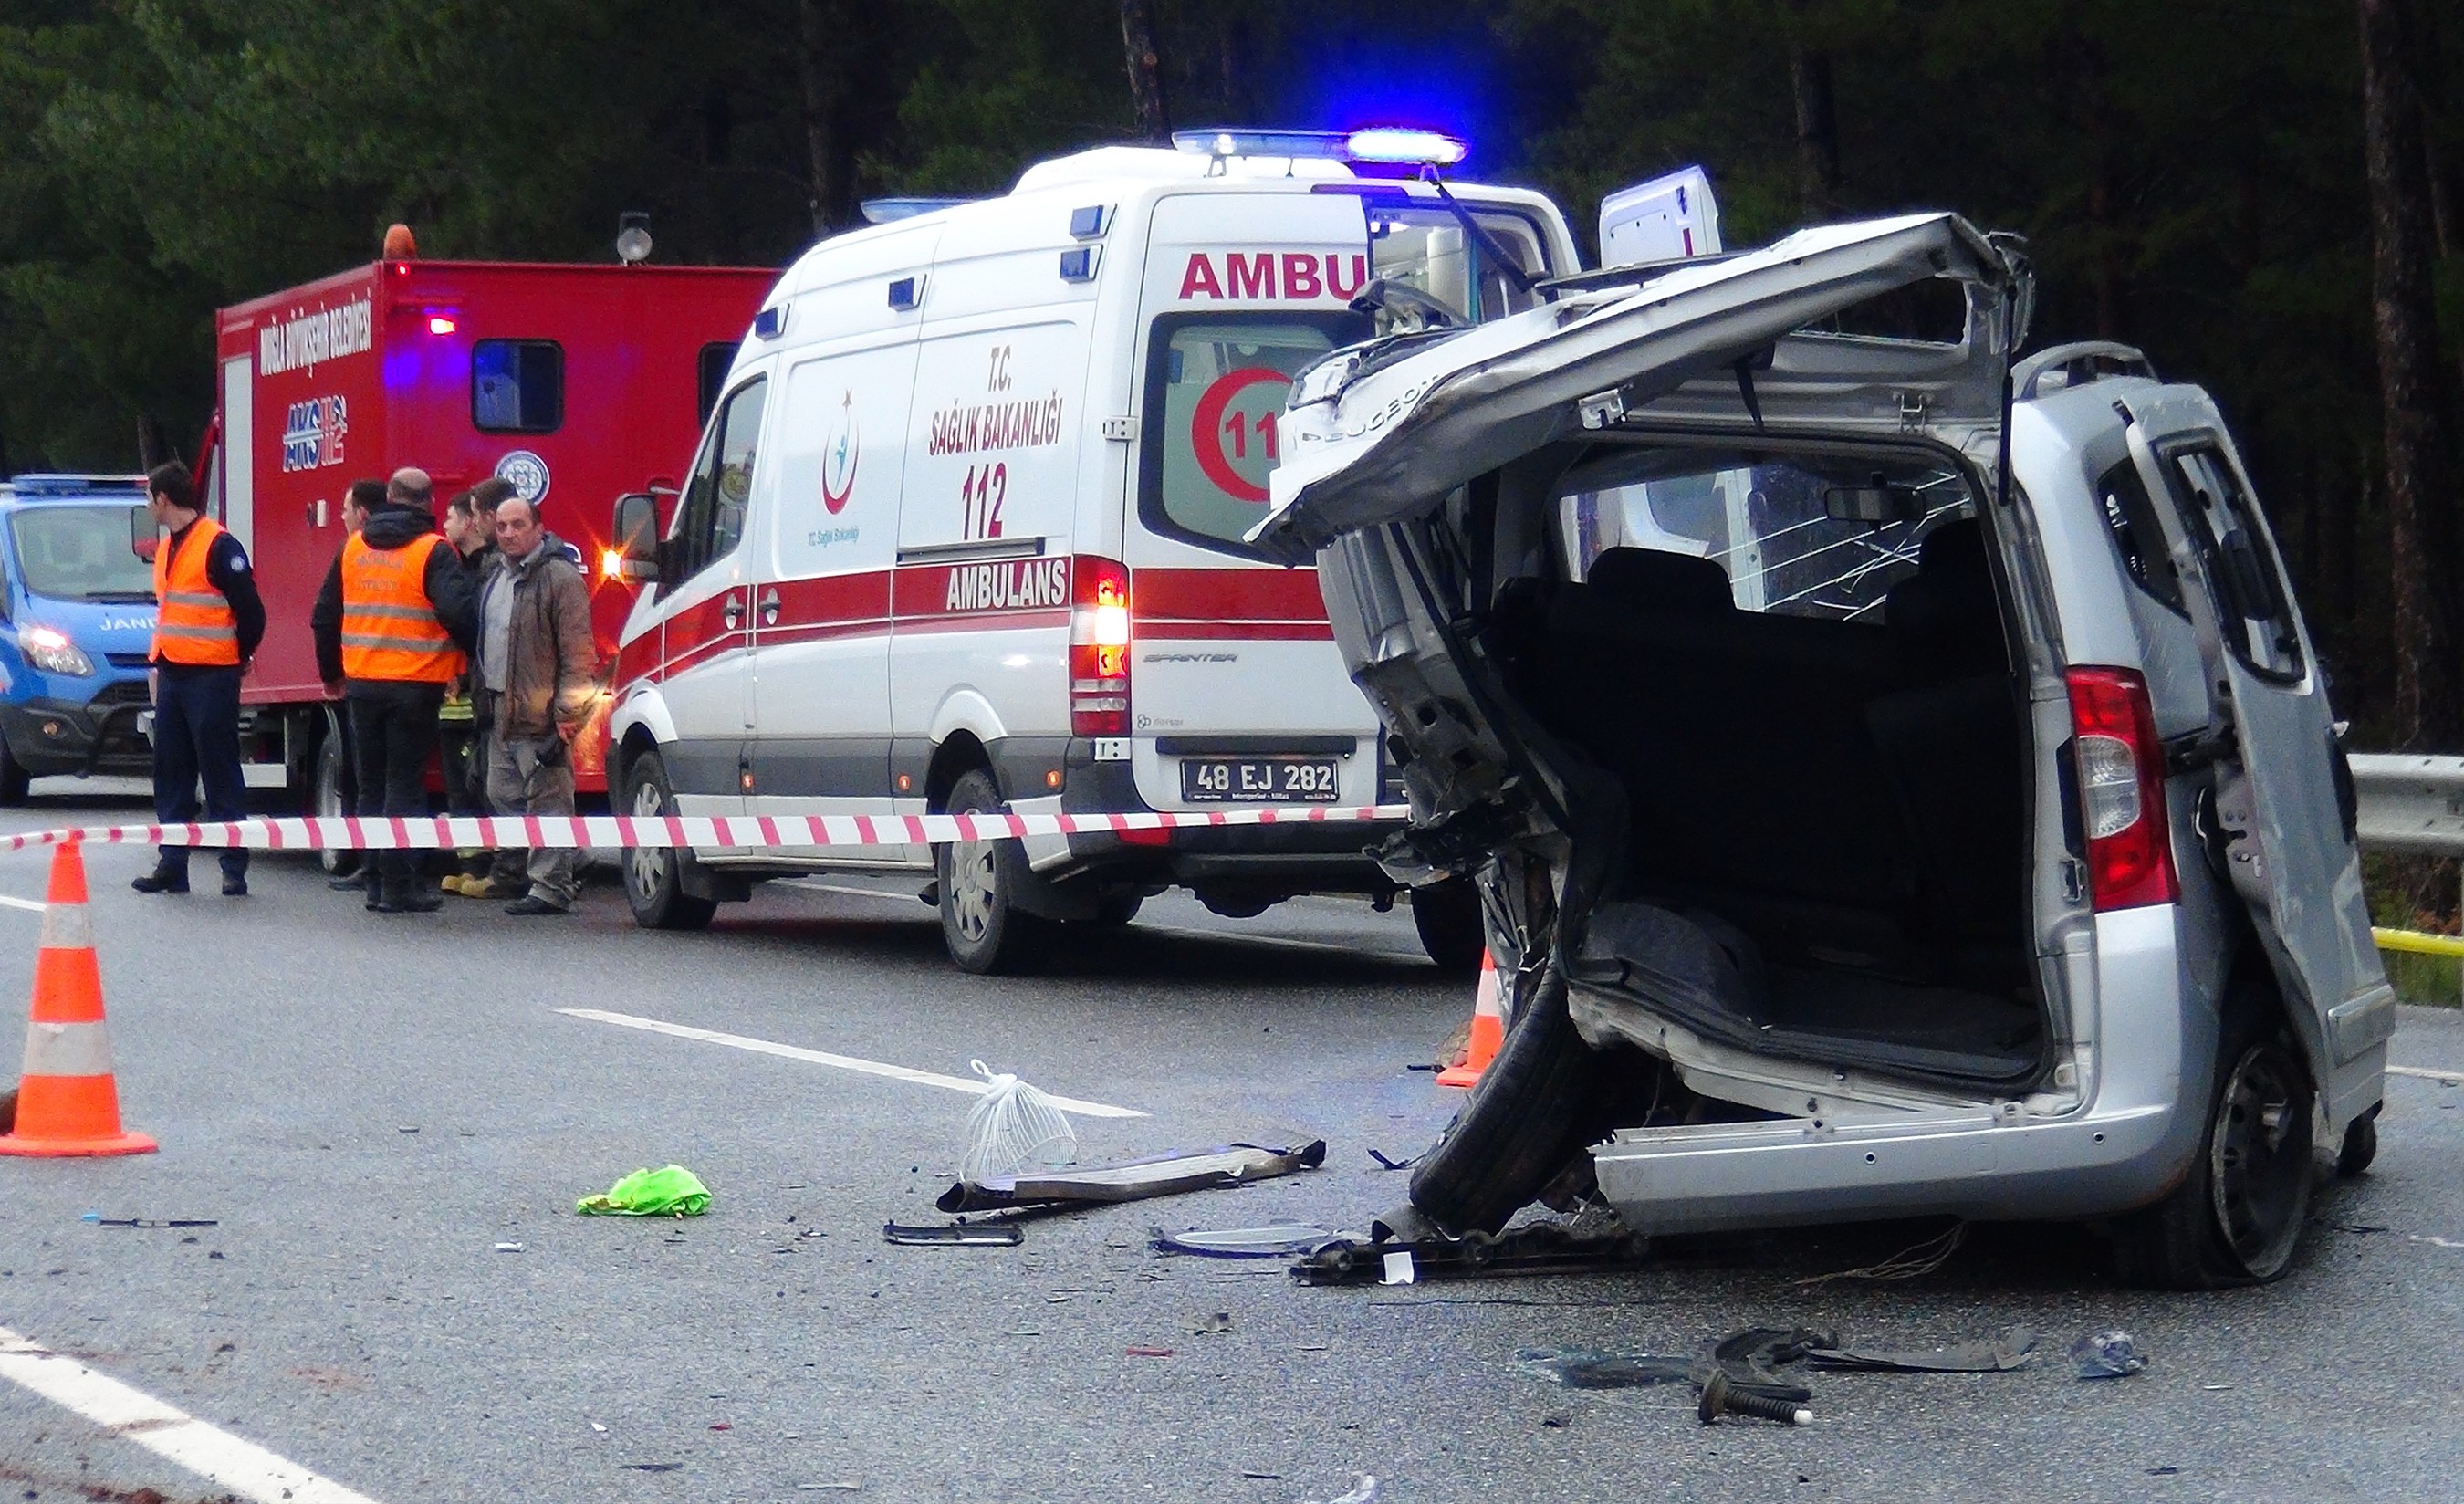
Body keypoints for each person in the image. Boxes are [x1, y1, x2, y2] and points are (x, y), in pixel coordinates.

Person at [309, 467, 476, 914]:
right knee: (404, 784)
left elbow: (324, 615)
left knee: (370, 785)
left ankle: (375, 883)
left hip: (362, 684)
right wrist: (466, 658)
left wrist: (332, 675)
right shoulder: (432, 551)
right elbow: (458, 612)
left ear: (389, 497)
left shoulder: (353, 548)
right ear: (429, 504)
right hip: (416, 684)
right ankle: (400, 888)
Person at [133, 462, 266, 896]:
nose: (148, 506)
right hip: (174, 673)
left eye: (149, 498)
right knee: (171, 770)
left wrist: (238, 656)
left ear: (164, 499)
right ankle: (173, 863)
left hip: (211, 676)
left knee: (219, 768)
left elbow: (252, 612)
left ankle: (233, 867)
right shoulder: (169, 547)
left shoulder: (218, 544)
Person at [476, 495, 596, 915]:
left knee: (548, 797)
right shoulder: (495, 575)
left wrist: (568, 713)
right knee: (501, 792)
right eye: (502, 526)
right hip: (499, 708)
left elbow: (579, 652)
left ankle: (550, 888)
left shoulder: (560, 578)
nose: (508, 533)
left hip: (540, 712)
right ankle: (572, 856)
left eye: (517, 525)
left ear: (538, 528)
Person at [437, 479, 517, 895]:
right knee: (471, 784)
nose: (444, 523)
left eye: (452, 515)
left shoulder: (488, 570)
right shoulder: (470, 568)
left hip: (481, 697)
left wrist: (467, 677)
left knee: (494, 786)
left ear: (473, 519)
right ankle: (475, 865)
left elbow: (486, 635)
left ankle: (504, 868)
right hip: (466, 698)